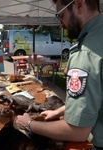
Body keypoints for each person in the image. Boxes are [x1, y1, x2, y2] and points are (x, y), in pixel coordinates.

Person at [16, 0, 103, 149]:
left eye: (61, 16)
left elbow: (77, 131)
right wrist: (59, 111)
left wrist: (29, 123)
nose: (61, 25)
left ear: (79, 5)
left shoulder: (85, 53)